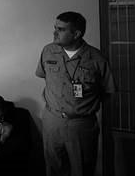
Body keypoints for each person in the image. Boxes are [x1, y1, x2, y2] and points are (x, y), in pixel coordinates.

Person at [35, 11, 115, 176]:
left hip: (81, 125)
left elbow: (108, 91)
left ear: (77, 33)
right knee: (53, 167)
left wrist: (83, 108)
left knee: (82, 169)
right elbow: (44, 76)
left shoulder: (97, 58)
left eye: (61, 29)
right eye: (55, 27)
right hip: (52, 121)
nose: (54, 32)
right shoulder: (48, 51)